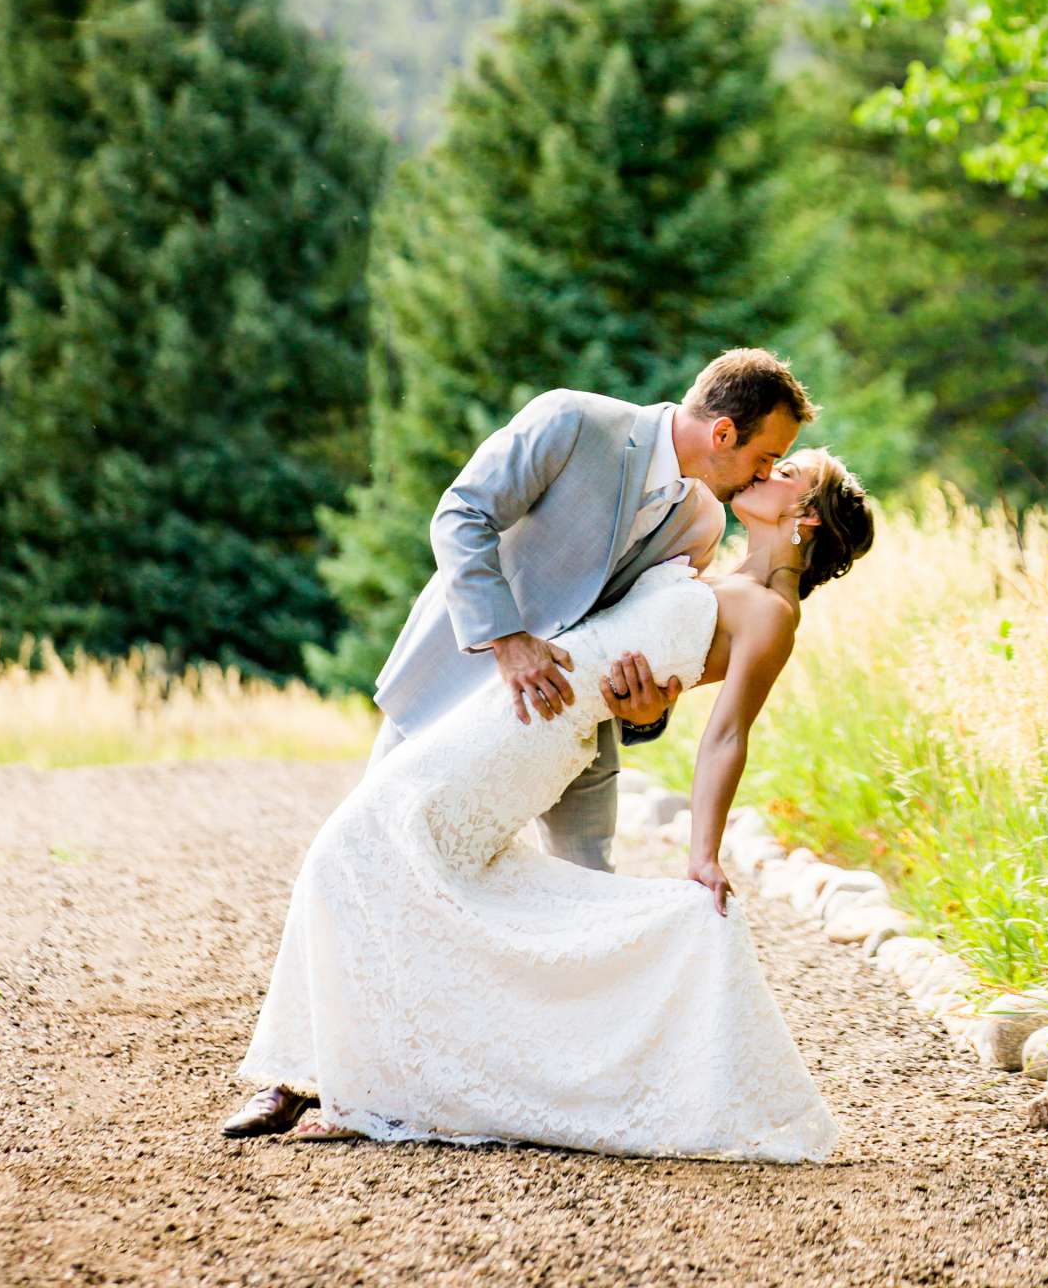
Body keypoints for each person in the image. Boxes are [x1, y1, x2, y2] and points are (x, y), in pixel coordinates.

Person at [221, 349, 819, 1141]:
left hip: (574, 739)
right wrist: (506, 639)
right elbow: (459, 514)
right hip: (454, 691)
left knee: (586, 898)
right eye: (763, 456)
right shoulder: (573, 422)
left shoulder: (703, 523)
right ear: (722, 430)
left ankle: (579, 1095)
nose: (759, 475)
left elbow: (653, 645)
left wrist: (643, 713)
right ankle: (302, 1080)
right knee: (372, 868)